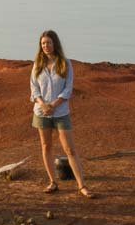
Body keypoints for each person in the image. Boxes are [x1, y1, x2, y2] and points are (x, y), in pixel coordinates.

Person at [30, 29, 92, 197]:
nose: (46, 46)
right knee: (46, 146)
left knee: (69, 149)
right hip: (41, 112)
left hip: (60, 112)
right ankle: (52, 182)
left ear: (54, 44)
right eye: (43, 43)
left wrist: (53, 104)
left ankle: (82, 186)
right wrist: (43, 105)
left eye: (48, 43)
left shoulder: (65, 63)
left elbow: (68, 89)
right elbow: (34, 90)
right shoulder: (37, 64)